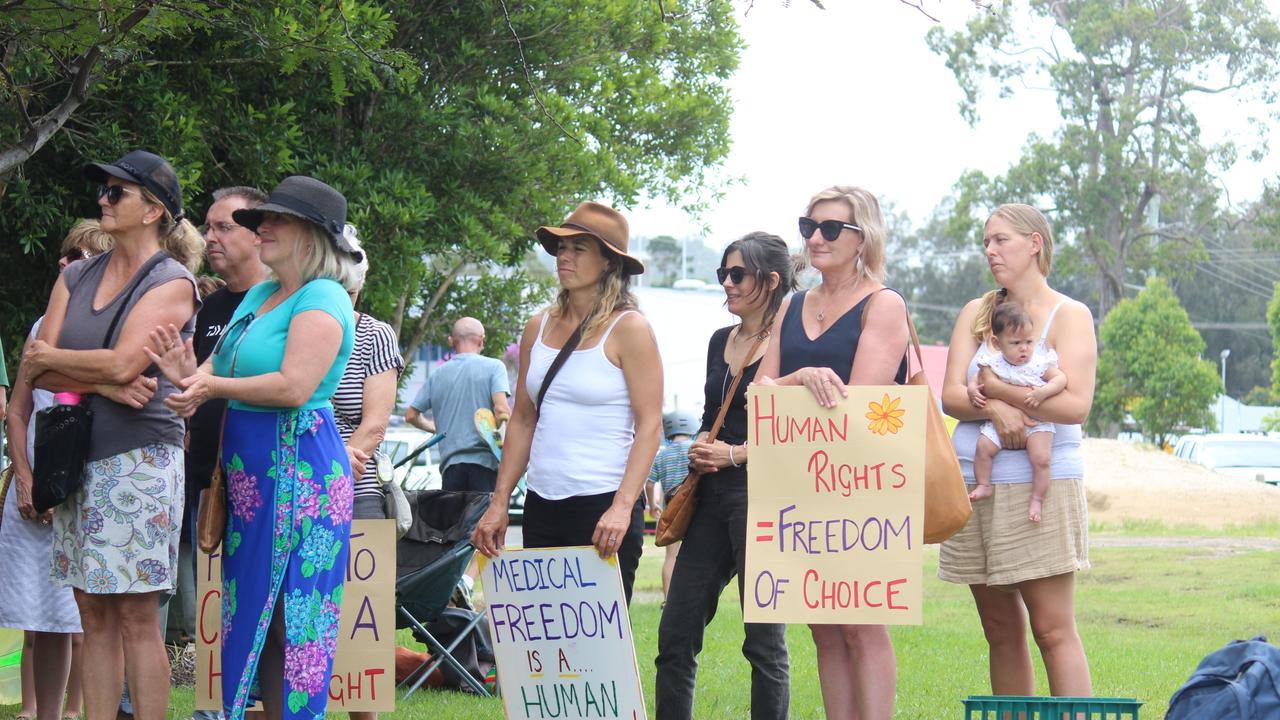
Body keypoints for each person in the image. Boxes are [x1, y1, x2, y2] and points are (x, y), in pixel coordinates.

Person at [150, 175, 361, 719]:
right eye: (259, 219)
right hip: (250, 476)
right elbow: (214, 368)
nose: (260, 228)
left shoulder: (325, 295)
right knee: (250, 612)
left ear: (313, 234)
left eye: (275, 220)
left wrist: (211, 387)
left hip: (301, 471)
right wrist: (185, 378)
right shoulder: (265, 294)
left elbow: (294, 386)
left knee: (299, 613)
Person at [22, 150, 203, 720]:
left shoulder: (174, 283)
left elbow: (125, 366)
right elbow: (35, 369)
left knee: (134, 614)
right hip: (76, 456)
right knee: (90, 610)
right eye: (102, 189)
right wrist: (96, 375)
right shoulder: (76, 274)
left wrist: (66, 362)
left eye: (116, 191)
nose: (102, 198)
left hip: (140, 460)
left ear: (153, 209)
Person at [755, 187, 907, 719]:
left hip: (859, 484)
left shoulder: (883, 304)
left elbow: (859, 403)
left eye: (831, 228)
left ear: (863, 237)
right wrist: (800, 377)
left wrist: (788, 389)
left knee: (861, 623)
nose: (815, 238)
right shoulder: (792, 305)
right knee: (821, 622)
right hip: (796, 482)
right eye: (809, 226)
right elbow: (760, 393)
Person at [938, 203, 1095, 700]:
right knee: (1000, 631)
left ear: (1034, 244)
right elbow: (951, 397)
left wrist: (998, 395)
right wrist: (994, 412)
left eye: (1001, 239)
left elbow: (1074, 406)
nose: (990, 250)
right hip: (975, 485)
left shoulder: (1069, 315)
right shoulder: (976, 313)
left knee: (1051, 629)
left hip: (1040, 487)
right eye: (986, 241)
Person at [470, 201, 662, 604]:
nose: (564, 256)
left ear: (609, 262)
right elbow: (522, 419)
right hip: (542, 501)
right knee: (546, 644)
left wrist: (622, 508)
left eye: (579, 248)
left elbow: (650, 426)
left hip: (602, 503)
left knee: (601, 653)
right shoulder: (537, 326)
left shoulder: (629, 329)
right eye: (561, 247)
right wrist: (500, 501)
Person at [655, 231, 795, 720]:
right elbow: (715, 411)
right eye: (723, 274)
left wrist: (735, 454)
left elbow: (801, 432)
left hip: (761, 494)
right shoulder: (721, 340)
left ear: (771, 280)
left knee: (763, 640)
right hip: (711, 494)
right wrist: (699, 443)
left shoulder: (791, 342)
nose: (727, 284)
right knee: (675, 632)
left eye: (738, 274)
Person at [1, 220, 114, 720]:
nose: (67, 264)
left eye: (83, 258)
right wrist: (27, 479)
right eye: (68, 255)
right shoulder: (38, 327)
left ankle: (79, 711)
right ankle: (41, 713)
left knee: (82, 616)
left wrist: (64, 487)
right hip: (34, 487)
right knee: (37, 618)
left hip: (86, 489)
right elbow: (18, 409)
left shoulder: (113, 327)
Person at [179, 184, 269, 720]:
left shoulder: (284, 300)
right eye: (208, 227)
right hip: (206, 472)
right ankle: (221, 704)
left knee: (259, 597)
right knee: (216, 593)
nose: (210, 237)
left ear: (258, 232)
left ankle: (253, 701)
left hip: (261, 471)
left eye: (223, 227)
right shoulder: (211, 304)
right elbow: (195, 383)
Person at [329, 228, 403, 720]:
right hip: (288, 484)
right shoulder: (285, 327)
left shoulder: (374, 334)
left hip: (356, 488)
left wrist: (331, 468)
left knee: (359, 630)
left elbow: (375, 423)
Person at [966, 301, 1068, 522]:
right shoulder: (992, 364)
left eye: (1029, 342)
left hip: (1036, 421)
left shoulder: (1038, 364)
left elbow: (1060, 379)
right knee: (983, 448)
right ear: (997, 342)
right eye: (1015, 343)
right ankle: (984, 484)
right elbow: (975, 381)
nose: (1024, 348)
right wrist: (974, 391)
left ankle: (1037, 499)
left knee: (1041, 458)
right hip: (1000, 421)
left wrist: (1043, 393)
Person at [404, 317, 510, 491]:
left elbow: (410, 415)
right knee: (482, 519)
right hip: (484, 467)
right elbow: (501, 410)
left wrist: (434, 428)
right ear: (482, 340)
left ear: (451, 341)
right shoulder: (494, 367)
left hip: (450, 469)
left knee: (454, 518)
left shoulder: (437, 375)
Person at [646, 410, 696, 599]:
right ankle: (690, 598)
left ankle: (668, 600)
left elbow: (650, 483)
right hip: (695, 510)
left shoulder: (661, 455)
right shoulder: (695, 448)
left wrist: (653, 505)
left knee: (671, 556)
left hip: (671, 512)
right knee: (695, 556)